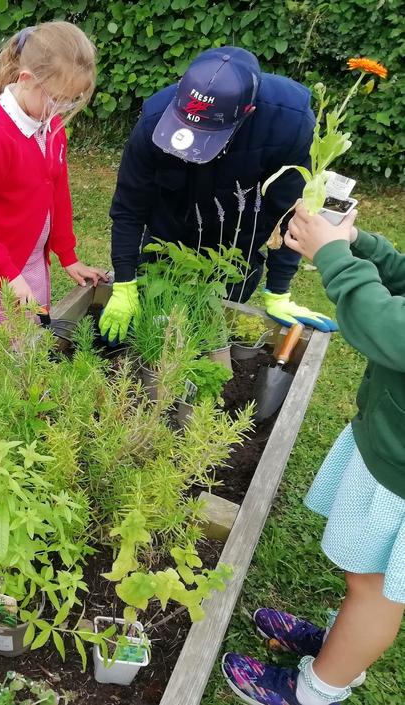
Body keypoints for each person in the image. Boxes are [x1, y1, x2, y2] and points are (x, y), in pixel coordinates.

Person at [222, 203, 405, 705]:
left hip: (401, 476)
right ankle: (344, 651)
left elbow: (391, 330)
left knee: (376, 590)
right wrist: (364, 246)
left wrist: (337, 259)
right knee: (365, 579)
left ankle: (315, 690)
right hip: (392, 450)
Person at [100, 46, 338, 344]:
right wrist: (124, 282)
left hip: (235, 249)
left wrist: (279, 290)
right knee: (149, 324)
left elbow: (289, 211)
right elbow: (129, 206)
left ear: (247, 113)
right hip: (167, 234)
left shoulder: (287, 124)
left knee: (208, 331)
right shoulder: (154, 121)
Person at [0, 22, 110, 357]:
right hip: (0, 271)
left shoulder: (50, 124)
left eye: (70, 101)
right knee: (6, 354)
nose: (62, 111)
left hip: (33, 261)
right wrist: (9, 276)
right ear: (27, 80)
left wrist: (68, 255)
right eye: (58, 99)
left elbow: (57, 190)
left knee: (29, 342)